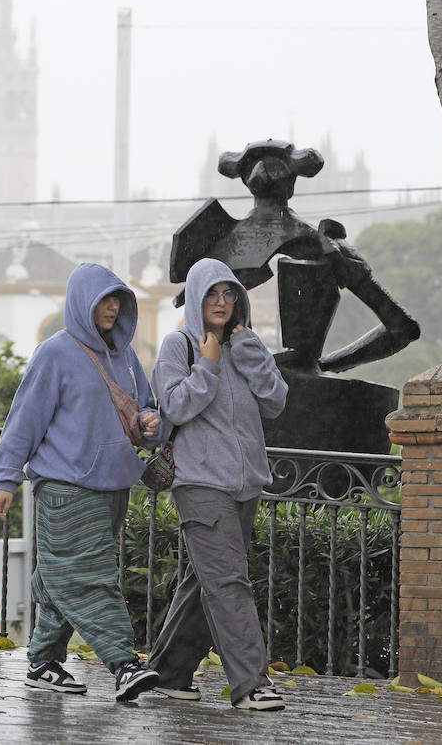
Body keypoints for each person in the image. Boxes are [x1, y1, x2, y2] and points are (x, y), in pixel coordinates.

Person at [0, 263, 162, 702]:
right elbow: (25, 418)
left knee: (59, 576)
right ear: (81, 302)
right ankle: (124, 665)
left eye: (117, 299)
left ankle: (43, 662)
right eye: (103, 299)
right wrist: (7, 478)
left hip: (114, 486)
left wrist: (149, 421)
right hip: (67, 488)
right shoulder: (55, 352)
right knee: (90, 578)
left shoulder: (124, 355)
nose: (111, 307)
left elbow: (145, 410)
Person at [146, 256, 289, 711]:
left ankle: (168, 673)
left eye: (229, 293)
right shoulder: (178, 346)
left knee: (205, 581)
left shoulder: (247, 343)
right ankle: (251, 685)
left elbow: (276, 401)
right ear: (195, 299)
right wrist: (207, 366)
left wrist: (247, 353)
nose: (222, 301)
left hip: (245, 485)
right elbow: (174, 409)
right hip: (199, 483)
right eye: (212, 293)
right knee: (229, 581)